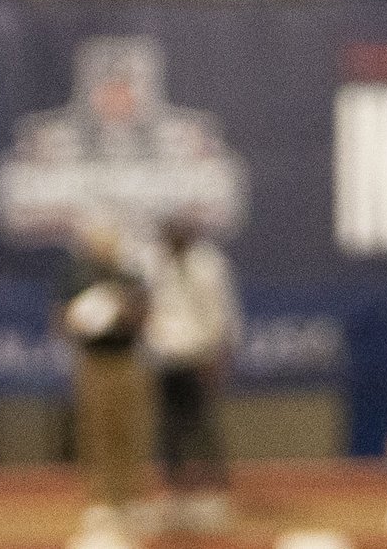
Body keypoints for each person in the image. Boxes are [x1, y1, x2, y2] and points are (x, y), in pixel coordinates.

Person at [145, 212, 242, 532]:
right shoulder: (154, 264)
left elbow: (223, 308)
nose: (172, 240)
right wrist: (152, 347)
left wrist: (219, 352)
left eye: (178, 234)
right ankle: (175, 494)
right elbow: (149, 310)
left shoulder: (209, 264)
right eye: (167, 234)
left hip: (200, 354)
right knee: (169, 427)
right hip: (166, 356)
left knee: (203, 424)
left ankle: (214, 494)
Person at [57, 219, 153, 538]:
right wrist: (84, 318)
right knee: (97, 431)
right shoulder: (76, 277)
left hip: (125, 359)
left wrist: (120, 312)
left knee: (129, 432)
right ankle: (100, 501)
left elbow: (145, 317)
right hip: (93, 361)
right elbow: (61, 321)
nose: (104, 246)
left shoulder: (128, 276)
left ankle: (128, 499)